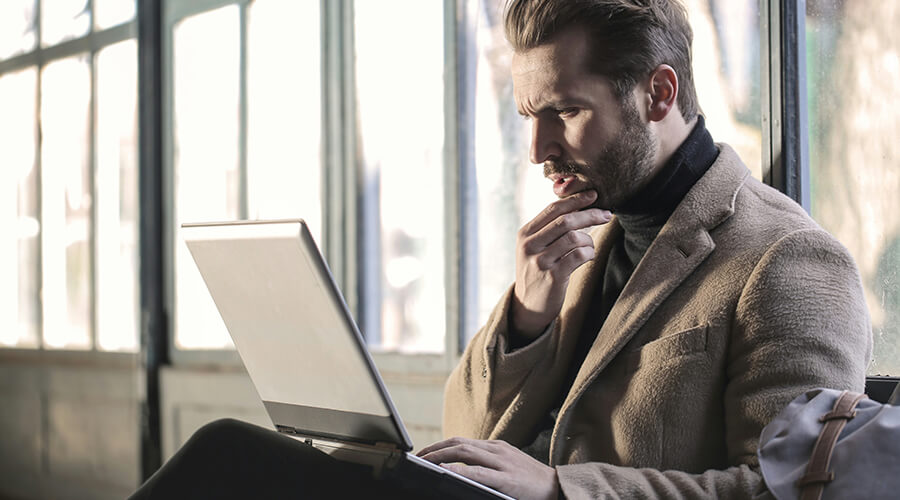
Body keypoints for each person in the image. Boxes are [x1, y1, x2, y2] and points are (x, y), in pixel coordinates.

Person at [130, 1, 872, 499]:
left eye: (567, 112)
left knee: (230, 457)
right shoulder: (584, 239)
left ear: (659, 92)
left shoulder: (789, 259)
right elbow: (467, 432)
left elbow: (792, 489)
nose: (539, 149)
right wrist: (525, 317)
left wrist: (560, 491)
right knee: (236, 458)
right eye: (528, 116)